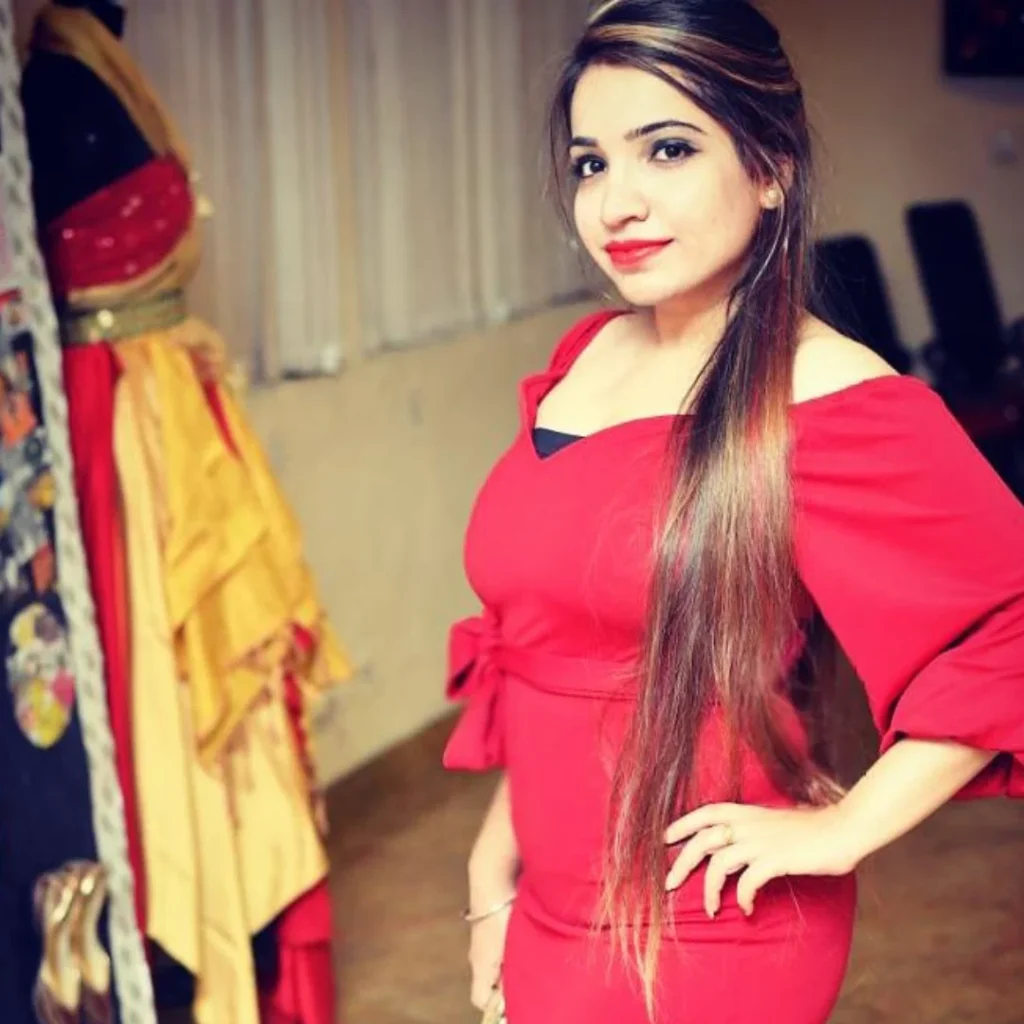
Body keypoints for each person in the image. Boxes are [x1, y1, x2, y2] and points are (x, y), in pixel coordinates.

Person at [441, 1, 1024, 1022]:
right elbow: (552, 650)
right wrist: (492, 871)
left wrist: (845, 830)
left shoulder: (827, 395)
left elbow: (1007, 626)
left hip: (711, 924)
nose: (616, 202)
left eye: (667, 149)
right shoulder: (586, 357)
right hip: (549, 904)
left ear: (771, 169)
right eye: (590, 163)